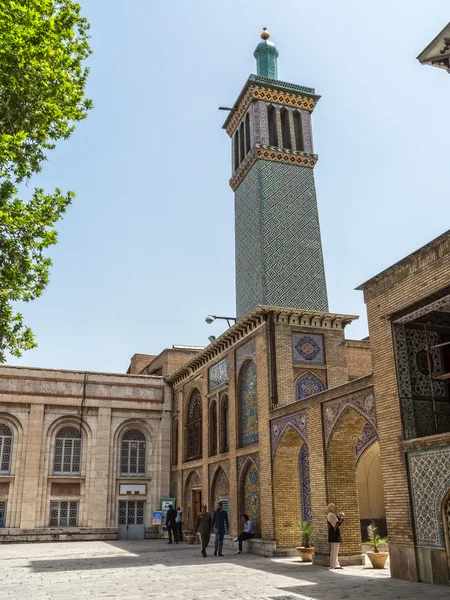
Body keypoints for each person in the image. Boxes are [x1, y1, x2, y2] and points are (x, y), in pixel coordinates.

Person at [327, 503, 344, 569]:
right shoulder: (331, 515)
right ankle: (335, 565)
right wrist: (342, 518)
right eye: (334, 507)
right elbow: (337, 524)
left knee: (333, 550)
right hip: (335, 534)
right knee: (335, 550)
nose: (335, 508)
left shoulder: (329, 514)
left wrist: (339, 517)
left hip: (332, 533)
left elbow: (336, 522)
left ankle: (333, 564)